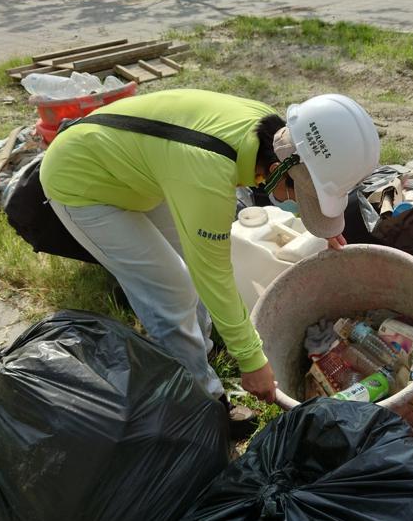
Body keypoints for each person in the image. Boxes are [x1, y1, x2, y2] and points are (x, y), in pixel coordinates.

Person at [40, 89, 380, 412]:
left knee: (190, 269)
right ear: (276, 171)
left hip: (141, 169)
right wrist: (251, 361)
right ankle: (202, 400)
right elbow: (213, 275)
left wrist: (321, 226)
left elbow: (294, 179)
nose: (298, 203)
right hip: (84, 182)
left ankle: (201, 350)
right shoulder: (209, 176)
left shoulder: (271, 132)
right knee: (171, 292)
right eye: (301, 197)